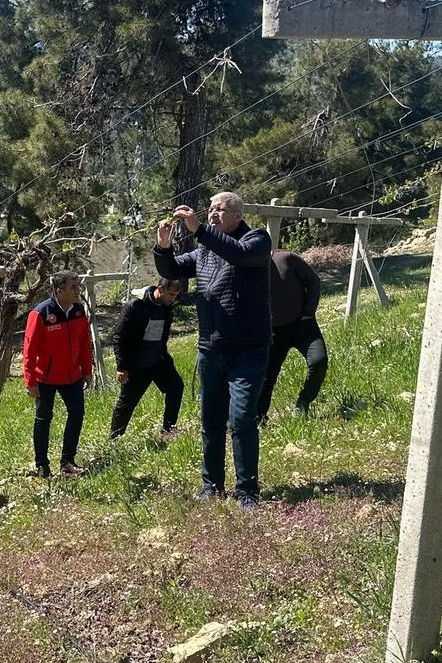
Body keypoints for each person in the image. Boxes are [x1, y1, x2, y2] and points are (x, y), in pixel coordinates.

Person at [153, 192, 273, 504]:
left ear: (237, 215)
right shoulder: (205, 249)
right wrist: (164, 246)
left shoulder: (256, 240)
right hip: (210, 349)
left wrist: (199, 230)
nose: (213, 214)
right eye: (210, 210)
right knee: (211, 421)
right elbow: (172, 269)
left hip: (247, 349)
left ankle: (247, 490)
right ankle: (212, 486)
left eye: (220, 209)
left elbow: (239, 255)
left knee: (242, 418)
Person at [22, 271, 92, 477]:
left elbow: (84, 343)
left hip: (73, 377)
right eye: (73, 287)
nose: (78, 291)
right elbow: (29, 350)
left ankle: (67, 462)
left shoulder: (78, 311)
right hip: (46, 378)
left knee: (77, 414)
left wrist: (87, 371)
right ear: (59, 291)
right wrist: (30, 381)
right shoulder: (40, 313)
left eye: (78, 286)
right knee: (43, 419)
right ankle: (42, 465)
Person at [108, 278, 186, 439]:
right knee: (127, 403)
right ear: (160, 289)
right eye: (171, 294)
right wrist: (122, 367)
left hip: (158, 361)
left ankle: (168, 430)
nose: (173, 299)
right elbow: (120, 337)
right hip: (137, 364)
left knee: (176, 387)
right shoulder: (136, 306)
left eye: (176, 295)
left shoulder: (166, 308)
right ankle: (114, 439)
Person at [258, 248, 327, 427]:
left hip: (302, 325)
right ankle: (259, 418)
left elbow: (313, 281)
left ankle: (303, 402)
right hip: (273, 332)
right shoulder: (248, 268)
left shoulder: (287, 258)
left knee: (319, 361)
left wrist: (308, 312)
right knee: (266, 377)